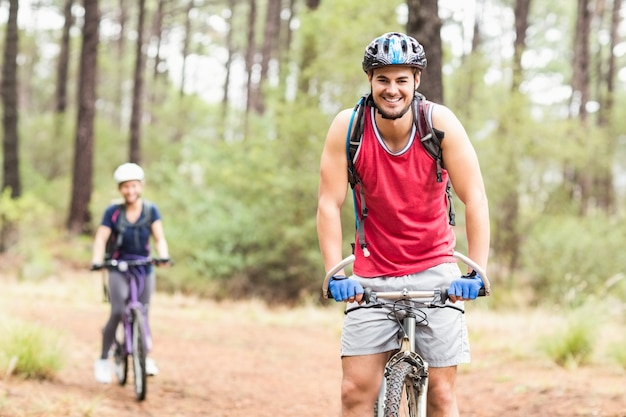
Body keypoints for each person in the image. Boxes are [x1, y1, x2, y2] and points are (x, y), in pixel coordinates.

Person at [316, 32, 490, 417]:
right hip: (371, 274)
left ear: (416, 80)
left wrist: (475, 272)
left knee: (443, 396)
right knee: (354, 392)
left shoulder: (439, 124)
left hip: (436, 271)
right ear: (370, 80)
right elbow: (329, 203)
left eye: (401, 80)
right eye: (382, 79)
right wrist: (334, 274)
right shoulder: (349, 128)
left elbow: (475, 197)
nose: (391, 89)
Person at [90, 162, 170, 384]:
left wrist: (163, 256)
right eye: (125, 187)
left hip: (144, 266)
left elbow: (159, 238)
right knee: (117, 311)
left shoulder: (150, 210)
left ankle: (144, 357)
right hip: (118, 266)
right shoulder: (113, 212)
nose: (130, 191)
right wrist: (98, 261)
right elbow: (101, 238)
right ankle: (104, 359)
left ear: (141, 186)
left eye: (134, 186)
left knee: (142, 312)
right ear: (120, 189)